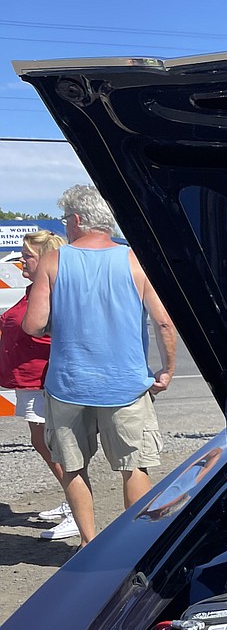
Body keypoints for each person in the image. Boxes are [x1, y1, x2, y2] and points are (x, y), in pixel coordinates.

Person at [22, 184, 176, 546]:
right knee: (134, 466)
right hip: (125, 385)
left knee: (74, 466)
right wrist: (166, 369)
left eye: (65, 219)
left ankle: (89, 544)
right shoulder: (136, 260)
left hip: (68, 385)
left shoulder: (54, 261)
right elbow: (164, 322)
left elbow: (33, 325)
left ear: (76, 220)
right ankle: (134, 546)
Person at [0, 230, 84, 540]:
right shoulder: (33, 288)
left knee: (53, 443)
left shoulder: (54, 292)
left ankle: (78, 510)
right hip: (28, 379)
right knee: (45, 441)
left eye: (28, 255)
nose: (22, 259)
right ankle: (71, 501)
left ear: (47, 258)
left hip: (43, 379)